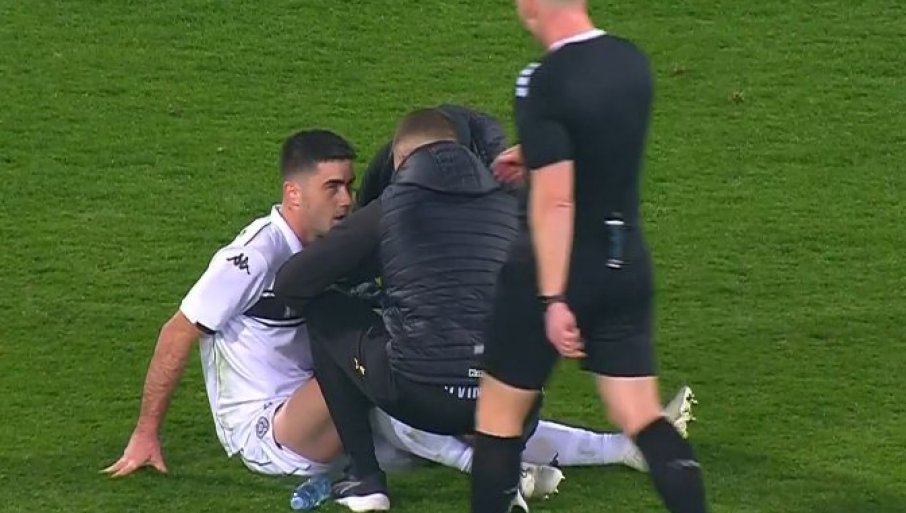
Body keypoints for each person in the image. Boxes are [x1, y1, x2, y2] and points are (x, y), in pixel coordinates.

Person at [101, 124, 694, 492]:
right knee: (395, 374)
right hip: (270, 431)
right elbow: (179, 330)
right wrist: (145, 435)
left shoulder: (335, 246)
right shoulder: (256, 255)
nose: (347, 199)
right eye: (332, 188)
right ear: (293, 193)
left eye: (350, 184)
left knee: (444, 391)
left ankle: (623, 447)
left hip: (327, 408)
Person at [273, 109, 696, 512]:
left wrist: (371, 271)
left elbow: (293, 282)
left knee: (327, 308)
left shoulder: (392, 206)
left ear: (401, 160)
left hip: (421, 397)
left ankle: (366, 480)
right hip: (513, 404)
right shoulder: (514, 201)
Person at [468, 2, 710, 513]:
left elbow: (557, 201)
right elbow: (602, 136)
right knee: (643, 417)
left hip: (551, 269)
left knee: (498, 419)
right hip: (624, 264)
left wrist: (554, 299)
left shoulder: (544, 80)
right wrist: (535, 150)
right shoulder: (630, 61)